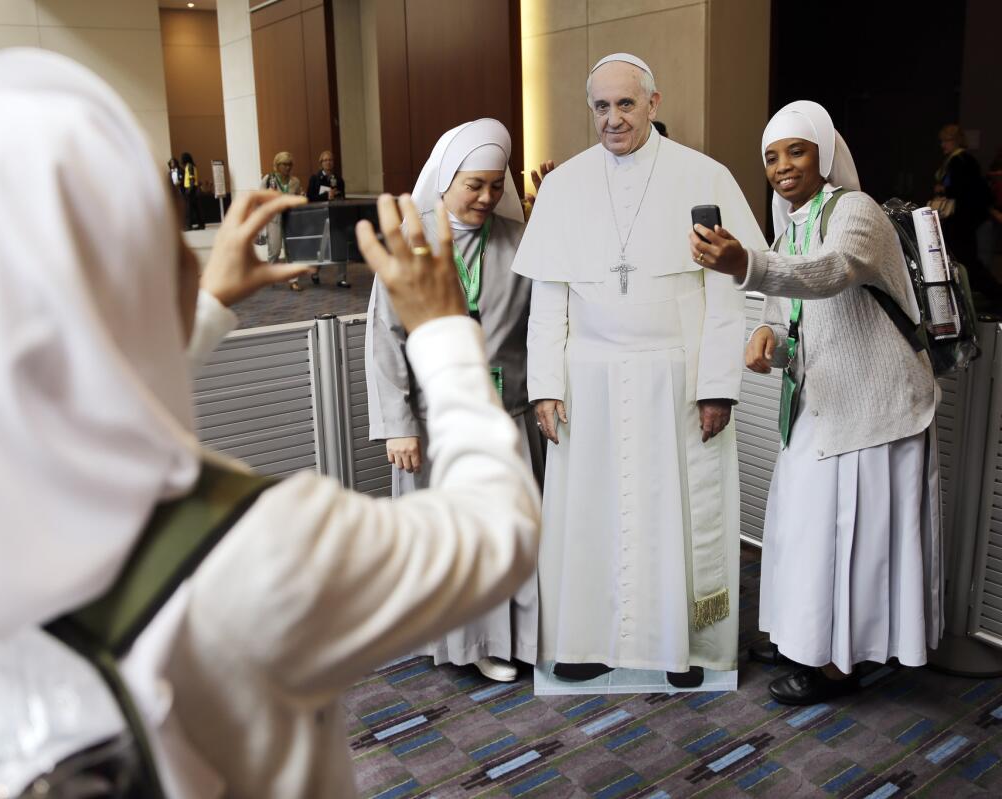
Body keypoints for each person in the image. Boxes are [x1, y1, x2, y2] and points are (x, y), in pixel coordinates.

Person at [0, 48, 540, 797]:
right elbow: (498, 534)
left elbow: (88, 398)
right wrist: (444, 333)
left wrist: (204, 312)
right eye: (169, 251)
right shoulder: (258, 547)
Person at [512, 52, 766, 687]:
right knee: (588, 516)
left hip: (673, 381)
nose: (613, 118)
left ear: (654, 104)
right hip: (587, 380)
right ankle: (587, 640)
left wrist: (716, 388)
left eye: (626, 104)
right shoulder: (565, 185)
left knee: (671, 515)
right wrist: (543, 385)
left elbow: (726, 295)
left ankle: (685, 646)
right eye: (601, 106)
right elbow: (549, 297)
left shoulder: (703, 177)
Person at [689, 100, 942, 706]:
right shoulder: (791, 226)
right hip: (818, 407)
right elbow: (787, 321)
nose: (782, 166)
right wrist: (765, 342)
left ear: (824, 155)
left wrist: (743, 263)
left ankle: (837, 665)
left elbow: (832, 271)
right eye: (771, 157)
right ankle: (805, 638)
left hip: (873, 411)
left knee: (848, 543)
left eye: (796, 151)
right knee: (802, 534)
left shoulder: (856, 211)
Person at [366, 118, 539, 683]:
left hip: (503, 413)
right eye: (474, 185)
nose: (488, 197)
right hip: (433, 418)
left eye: (495, 185)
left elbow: (547, 324)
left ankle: (495, 640)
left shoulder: (520, 242)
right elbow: (384, 339)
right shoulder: (410, 246)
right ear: (445, 180)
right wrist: (398, 425)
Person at [933, 124, 1000, 304]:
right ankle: (984, 295)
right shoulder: (960, 160)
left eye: (946, 141)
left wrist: (944, 189)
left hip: (960, 220)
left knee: (966, 261)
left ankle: (993, 295)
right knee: (965, 260)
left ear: (955, 141)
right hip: (962, 220)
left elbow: (963, 189)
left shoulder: (959, 160)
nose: (943, 145)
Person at [306, 150, 352, 288]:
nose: (328, 162)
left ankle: (342, 278)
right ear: (321, 163)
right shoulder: (315, 178)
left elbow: (343, 198)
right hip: (321, 217)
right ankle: (314, 272)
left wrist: (337, 197)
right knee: (323, 246)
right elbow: (310, 198)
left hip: (336, 216)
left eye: (330, 160)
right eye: (325, 160)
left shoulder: (339, 179)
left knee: (341, 246)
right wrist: (326, 196)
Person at [261, 151, 306, 291]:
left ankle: (293, 280)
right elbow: (260, 198)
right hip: (274, 219)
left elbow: (299, 197)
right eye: (284, 164)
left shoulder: (295, 181)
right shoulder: (269, 179)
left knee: (291, 251)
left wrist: (302, 196)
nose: (287, 167)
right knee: (274, 250)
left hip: (290, 219)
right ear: (277, 165)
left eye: (289, 164)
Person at [180, 152, 202, 230]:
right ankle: (201, 224)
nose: (181, 159)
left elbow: (192, 179)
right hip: (193, 188)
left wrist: (188, 190)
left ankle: (188, 226)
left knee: (189, 209)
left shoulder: (189, 166)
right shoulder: (192, 166)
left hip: (190, 189)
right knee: (195, 208)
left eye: (182, 158)